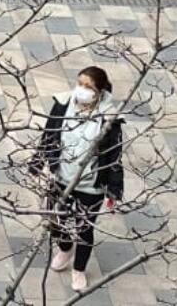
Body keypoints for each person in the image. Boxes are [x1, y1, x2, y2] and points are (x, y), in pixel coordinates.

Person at [30, 66, 125, 293]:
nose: (82, 89)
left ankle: (79, 269)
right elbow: (50, 133)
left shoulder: (109, 118)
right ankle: (65, 248)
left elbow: (114, 155)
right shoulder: (63, 104)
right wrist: (38, 161)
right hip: (61, 175)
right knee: (55, 220)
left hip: (90, 183)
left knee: (84, 228)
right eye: (80, 83)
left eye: (88, 87)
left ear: (99, 92)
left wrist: (113, 189)